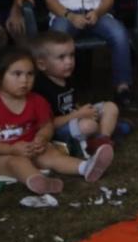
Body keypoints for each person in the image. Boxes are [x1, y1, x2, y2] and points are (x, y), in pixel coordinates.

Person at [0, 47, 112, 195]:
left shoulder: (38, 101)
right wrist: (10, 149)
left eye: (30, 74)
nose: (24, 80)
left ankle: (86, 167)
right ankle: (38, 180)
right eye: (17, 74)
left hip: (32, 148)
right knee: (17, 162)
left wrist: (42, 138)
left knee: (52, 155)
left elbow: (47, 126)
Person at [32, 30, 119, 164]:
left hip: (75, 118)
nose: (69, 62)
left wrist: (87, 111)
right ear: (42, 64)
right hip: (58, 130)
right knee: (88, 126)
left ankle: (102, 140)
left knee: (110, 107)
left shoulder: (68, 77)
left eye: (71, 55)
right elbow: (49, 124)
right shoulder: (41, 88)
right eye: (61, 57)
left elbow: (72, 104)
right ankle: (102, 134)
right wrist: (79, 115)